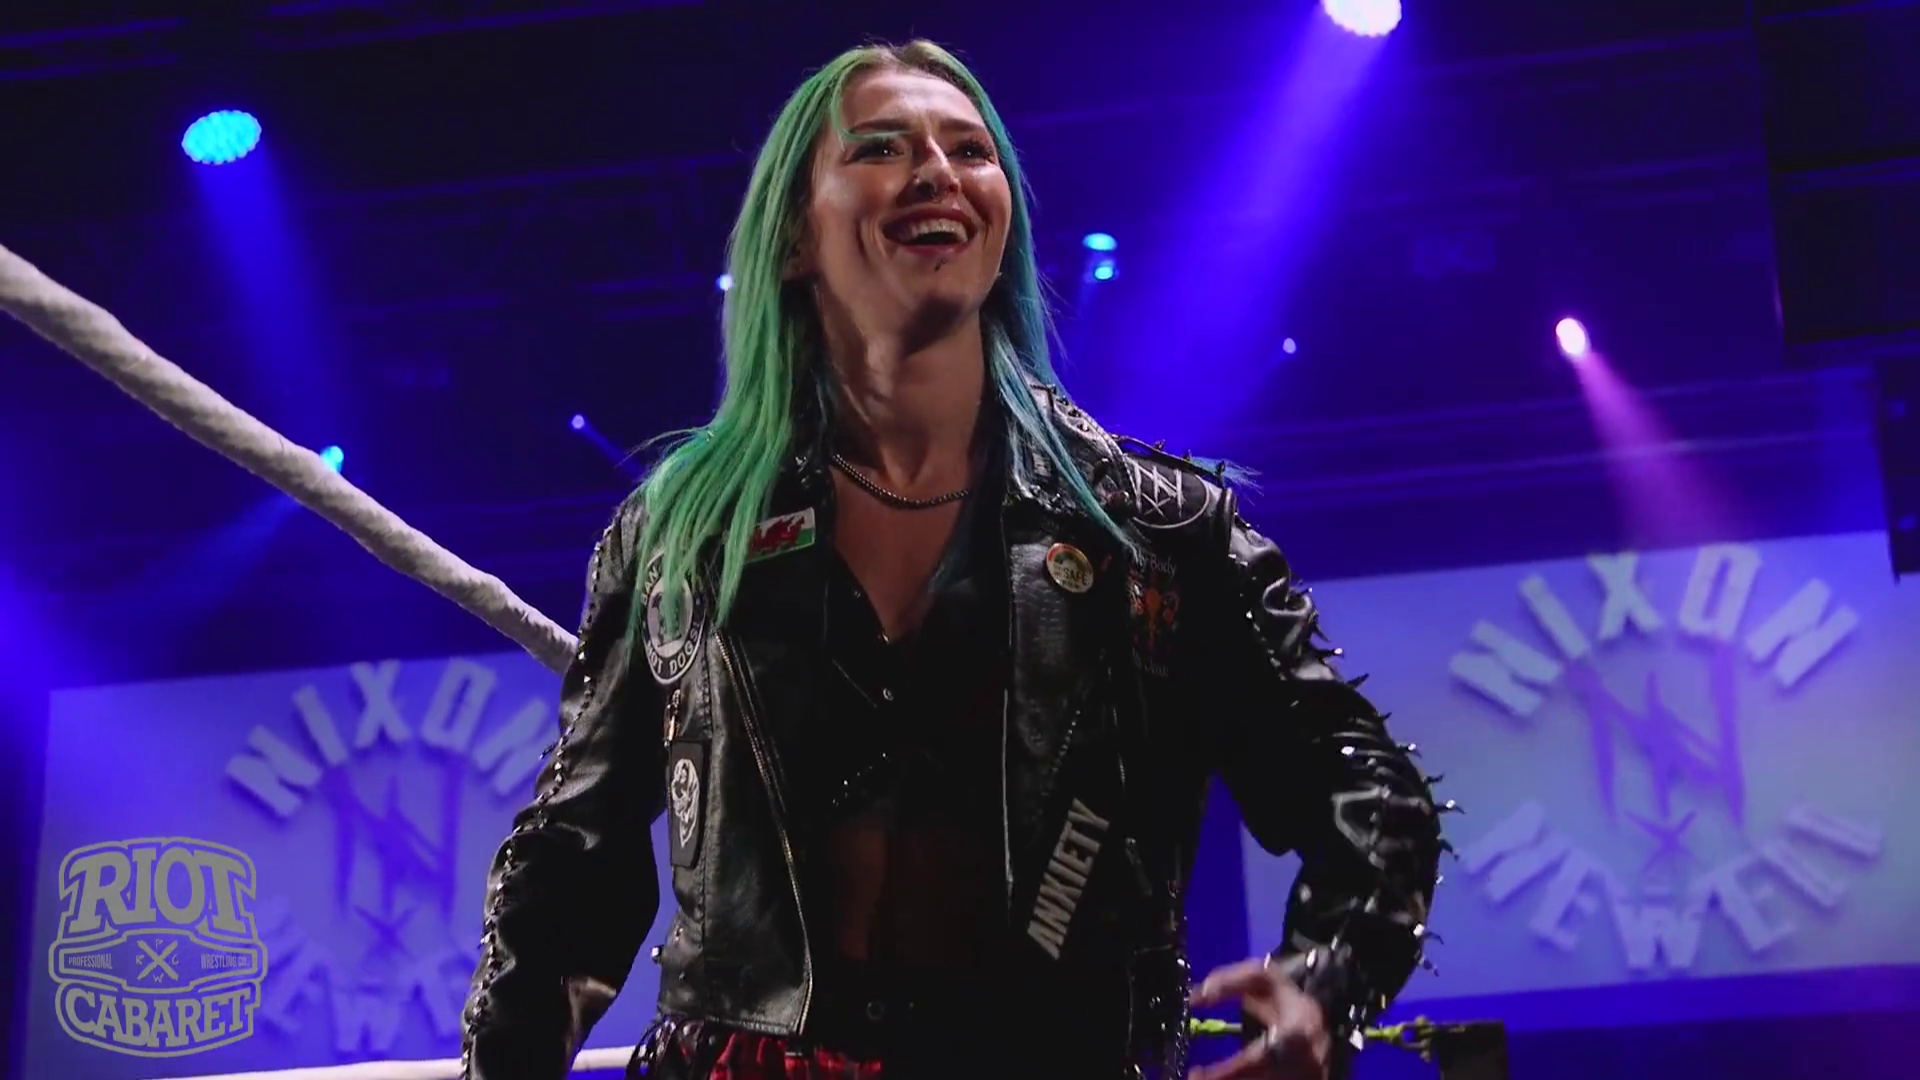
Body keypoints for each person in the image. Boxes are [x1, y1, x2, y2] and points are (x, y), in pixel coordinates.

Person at [460, 40, 1443, 1080]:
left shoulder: (1155, 530)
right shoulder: (685, 532)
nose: (937, 169)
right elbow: (572, 864)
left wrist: (1325, 980)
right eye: (881, 147)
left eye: (971, 151)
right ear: (794, 238)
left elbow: (1370, 798)